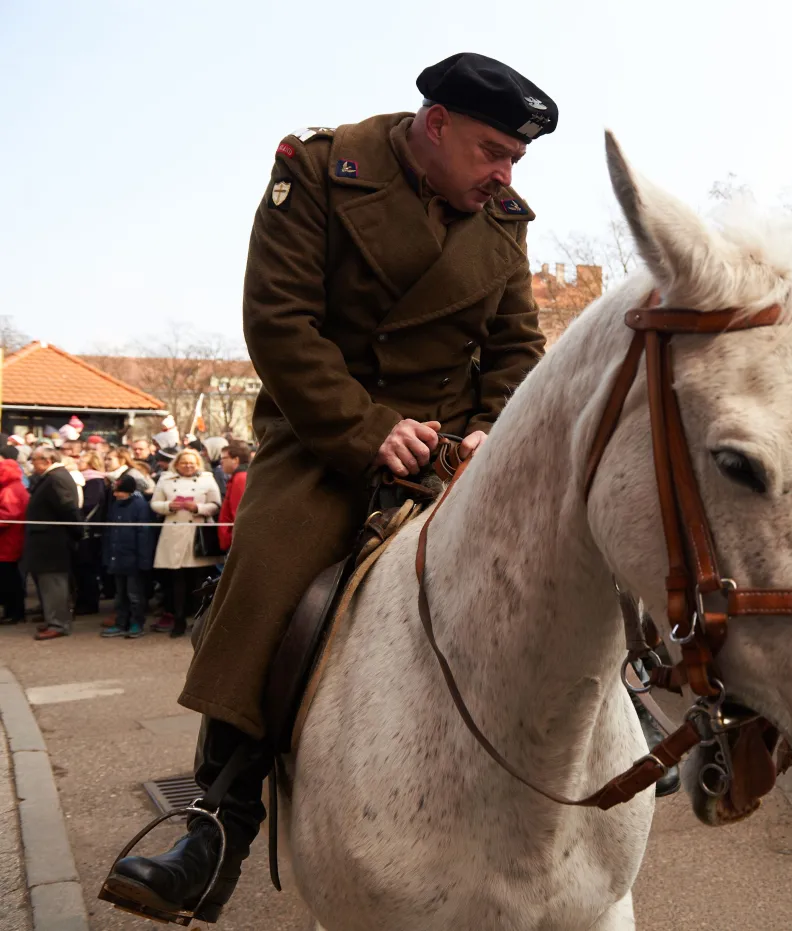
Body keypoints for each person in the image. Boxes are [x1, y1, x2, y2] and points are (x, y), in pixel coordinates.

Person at [104, 53, 562, 920]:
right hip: (328, 432)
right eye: (493, 150)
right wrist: (366, 430)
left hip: (455, 445)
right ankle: (220, 817)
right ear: (435, 126)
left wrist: (490, 426)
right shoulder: (318, 168)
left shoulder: (501, 216)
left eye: (517, 159)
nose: (505, 173)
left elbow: (514, 347)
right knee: (272, 574)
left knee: (566, 543)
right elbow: (279, 321)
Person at [150, 450, 222, 638]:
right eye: (184, 463)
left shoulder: (207, 479)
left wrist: (198, 507)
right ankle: (178, 620)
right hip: (173, 532)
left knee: (200, 579)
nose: (188, 466)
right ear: (177, 464)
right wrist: (168, 506)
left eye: (192, 463)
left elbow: (216, 504)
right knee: (177, 580)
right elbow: (155, 503)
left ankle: (200, 621)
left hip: (197, 534)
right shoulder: (165, 479)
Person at [27, 447, 81, 641]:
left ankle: (59, 623)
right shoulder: (53, 477)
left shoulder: (57, 479)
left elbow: (69, 510)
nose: (32, 464)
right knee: (49, 584)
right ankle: (53, 619)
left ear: (47, 460)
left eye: (34, 460)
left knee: (55, 585)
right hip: (46, 540)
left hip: (53, 542)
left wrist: (76, 534)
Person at [100, 474, 158, 639]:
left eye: (119, 491)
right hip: (118, 557)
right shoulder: (116, 505)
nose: (115, 494)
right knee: (120, 595)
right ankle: (121, 622)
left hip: (133, 559)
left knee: (134, 595)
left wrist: (144, 560)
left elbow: (144, 535)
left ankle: (136, 623)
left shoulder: (140, 506)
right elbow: (110, 532)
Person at [73, 450, 108, 615]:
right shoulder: (87, 479)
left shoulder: (94, 481)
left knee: (87, 568)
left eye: (82, 459)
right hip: (88, 530)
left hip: (90, 531)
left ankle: (89, 602)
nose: (78, 462)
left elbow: (89, 505)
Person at [0, 458, 29, 623]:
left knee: (8, 579)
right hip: (12, 538)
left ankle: (14, 613)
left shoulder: (9, 490)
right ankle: (13, 611)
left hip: (8, 540)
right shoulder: (15, 487)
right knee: (11, 578)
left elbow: (8, 515)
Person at [216, 441, 251, 553]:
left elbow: (238, 512)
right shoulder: (240, 476)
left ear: (236, 459)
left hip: (235, 542)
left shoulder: (240, 479)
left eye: (224, 458)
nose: (221, 462)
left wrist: (231, 537)